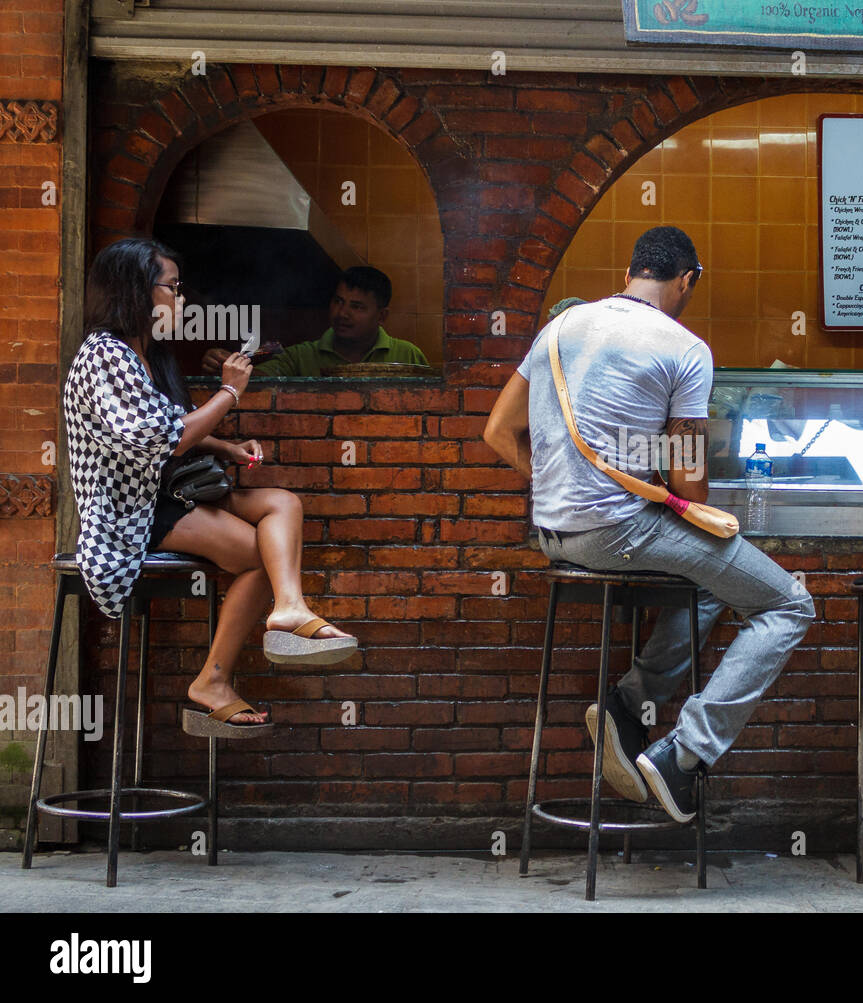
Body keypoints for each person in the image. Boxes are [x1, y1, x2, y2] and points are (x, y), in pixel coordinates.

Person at [484, 226, 814, 822]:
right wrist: (699, 508)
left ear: (632, 270)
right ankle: (684, 755)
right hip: (620, 532)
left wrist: (559, 487)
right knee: (787, 604)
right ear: (688, 279)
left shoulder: (559, 328)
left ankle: (627, 705)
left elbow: (497, 432)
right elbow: (688, 477)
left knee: (719, 583)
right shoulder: (683, 347)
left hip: (553, 532)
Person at [63, 237, 357, 730]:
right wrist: (228, 392)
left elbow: (169, 424)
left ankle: (288, 608)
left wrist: (224, 447)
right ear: (136, 290)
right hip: (129, 514)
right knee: (257, 554)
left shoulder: (147, 356)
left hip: (169, 494)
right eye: (172, 287)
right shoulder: (104, 354)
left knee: (282, 505)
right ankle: (212, 682)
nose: (179, 299)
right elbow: (162, 438)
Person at [200, 266, 429, 377]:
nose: (342, 313)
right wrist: (224, 366)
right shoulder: (300, 356)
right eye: (338, 301)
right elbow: (255, 380)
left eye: (357, 307)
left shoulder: (408, 355)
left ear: (382, 316)